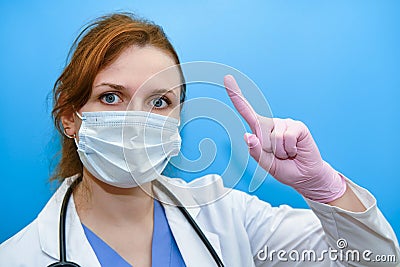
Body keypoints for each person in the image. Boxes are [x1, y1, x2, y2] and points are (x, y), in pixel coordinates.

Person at [0, 12, 399, 267]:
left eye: (160, 101)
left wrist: (323, 187)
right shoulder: (18, 258)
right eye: (111, 97)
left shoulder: (227, 216)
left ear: (178, 122)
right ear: (71, 118)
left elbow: (377, 262)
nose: (137, 121)